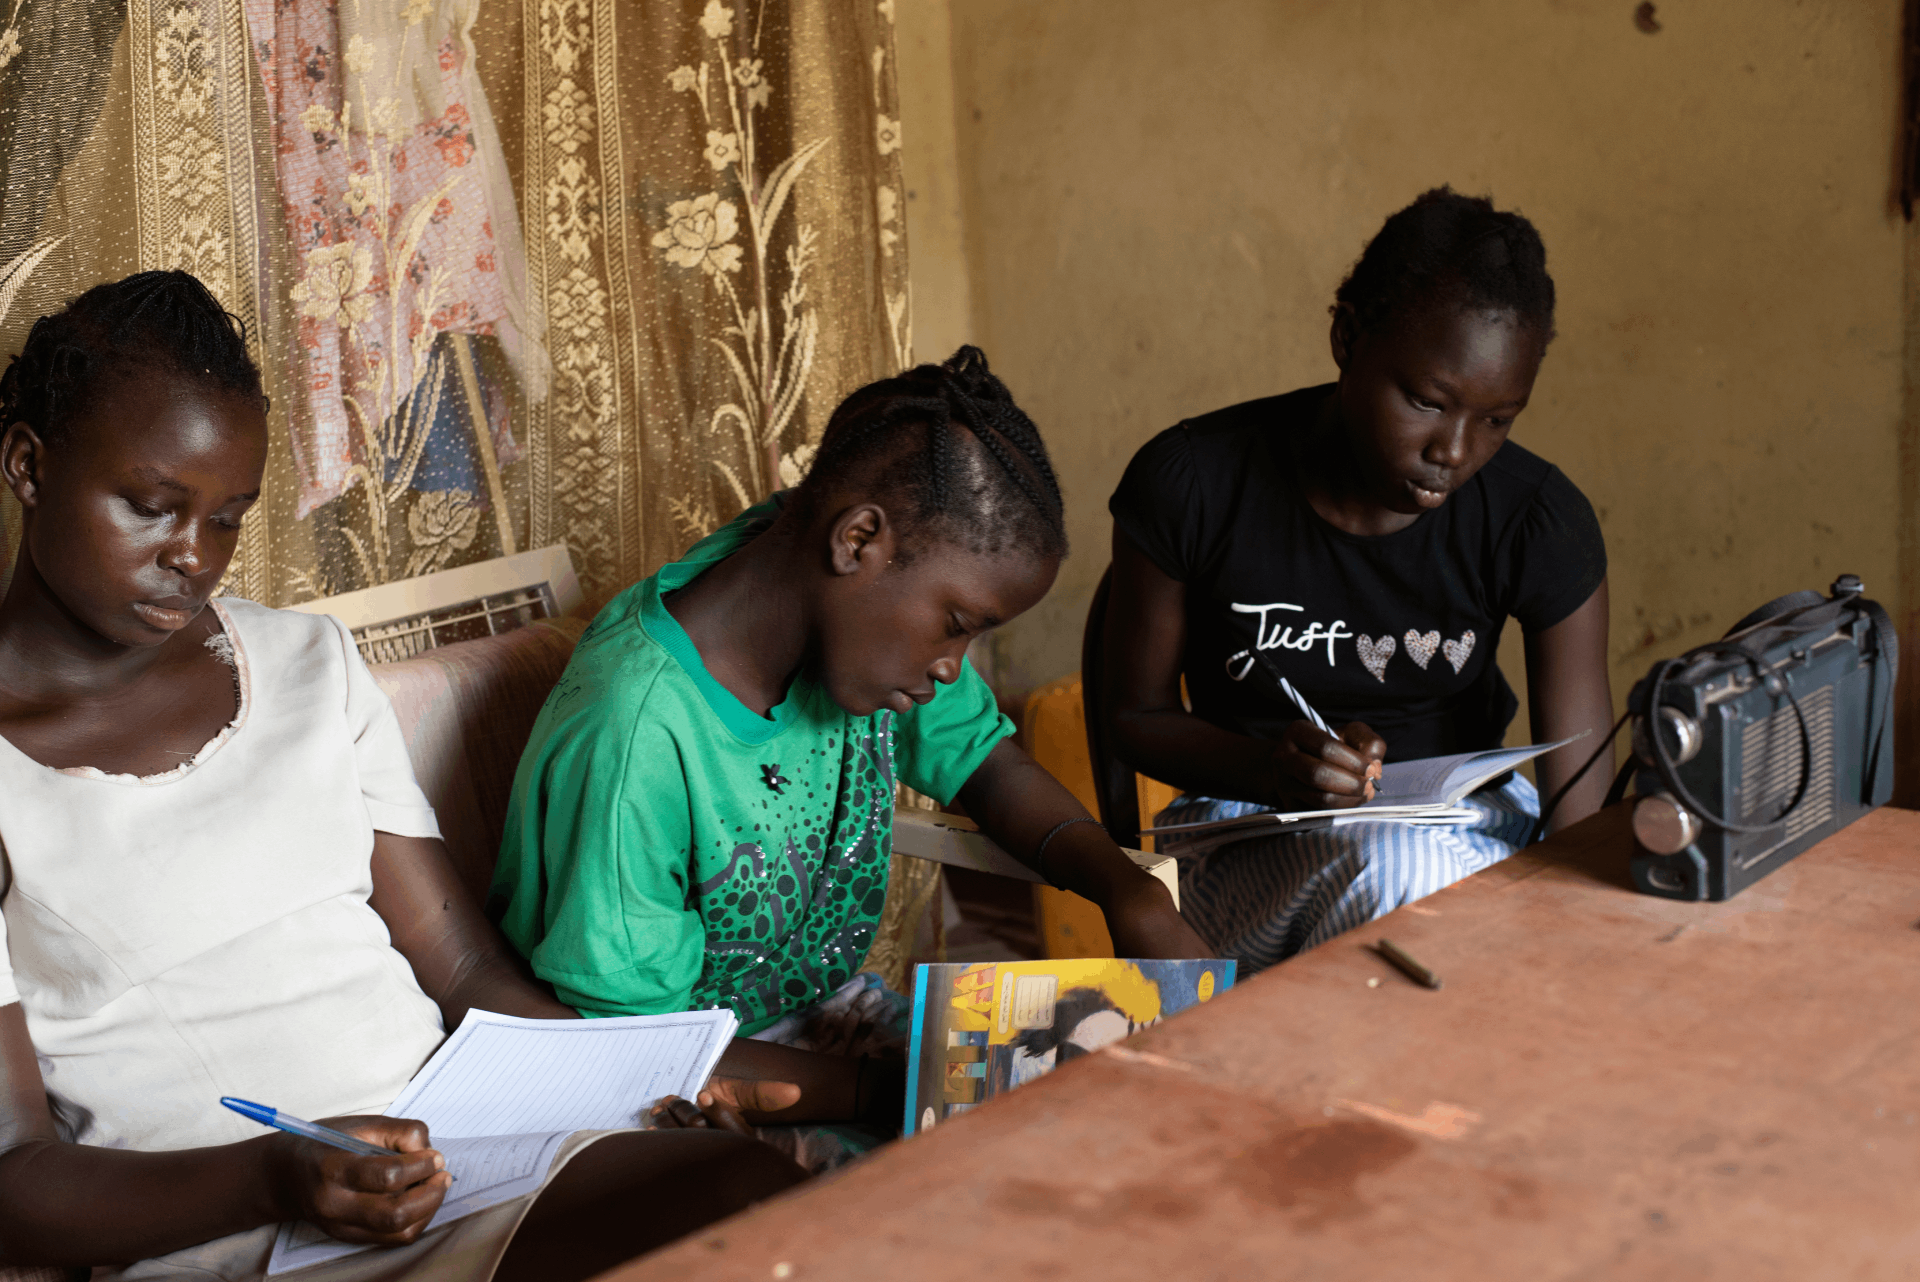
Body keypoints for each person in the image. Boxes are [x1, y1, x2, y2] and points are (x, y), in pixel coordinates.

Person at [0, 271, 806, 1281]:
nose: (194, 558)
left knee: (753, 1196)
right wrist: (277, 1177)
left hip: (448, 1163)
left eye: (228, 518)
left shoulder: (305, 664)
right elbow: (14, 1179)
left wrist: (624, 1092)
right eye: (155, 508)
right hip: (241, 1230)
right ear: (29, 465)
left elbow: (465, 972)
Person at [489, 347, 1212, 1165]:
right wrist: (904, 1093)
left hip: (823, 1021)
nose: (953, 668)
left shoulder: (815, 578)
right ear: (858, 539)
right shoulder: (636, 735)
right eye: (956, 625)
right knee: (1006, 1192)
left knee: (1122, 1127)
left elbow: (987, 763)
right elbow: (640, 1055)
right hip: (668, 1088)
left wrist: (1124, 887)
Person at [1101, 188, 1612, 974]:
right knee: (1400, 889)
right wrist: (1272, 768)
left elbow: (1578, 805)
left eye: (1498, 420)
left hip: (1464, 833)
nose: (1454, 449)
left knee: (1427, 889)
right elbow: (1132, 714)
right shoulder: (1195, 484)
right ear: (1346, 339)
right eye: (1425, 401)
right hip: (1245, 832)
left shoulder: (1538, 521)